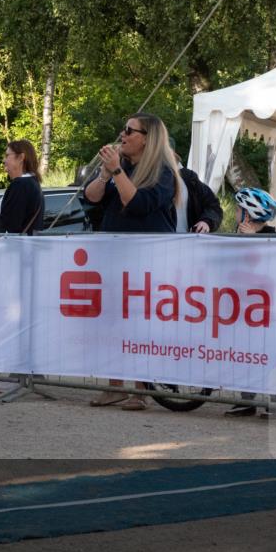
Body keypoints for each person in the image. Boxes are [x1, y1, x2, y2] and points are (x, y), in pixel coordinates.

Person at [84, 113, 182, 410]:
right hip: (115, 258)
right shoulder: (120, 167)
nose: (122, 135)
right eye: (122, 128)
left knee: (140, 325)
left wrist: (116, 172)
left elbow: (137, 203)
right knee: (112, 322)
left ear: (147, 138)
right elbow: (91, 198)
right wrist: (104, 174)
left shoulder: (163, 171)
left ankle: (141, 389)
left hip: (148, 261)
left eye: (129, 130)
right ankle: (115, 385)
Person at [224, 187, 276, 417]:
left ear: (248, 214)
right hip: (241, 307)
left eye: (238, 210)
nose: (236, 214)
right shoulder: (235, 235)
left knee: (271, 354)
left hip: (267, 309)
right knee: (244, 353)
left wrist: (251, 241)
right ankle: (245, 399)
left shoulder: (274, 239)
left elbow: (271, 268)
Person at [0, 139, 45, 235]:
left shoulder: (20, 185)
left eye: (7, 155)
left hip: (15, 248)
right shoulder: (32, 183)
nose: (4, 160)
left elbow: (6, 228)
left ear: (21, 157)